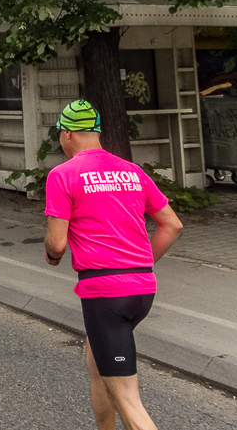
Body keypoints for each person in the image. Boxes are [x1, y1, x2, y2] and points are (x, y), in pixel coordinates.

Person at [44, 100, 183, 430]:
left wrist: (52, 256)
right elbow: (172, 225)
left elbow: (57, 243)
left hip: (105, 294)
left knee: (128, 399)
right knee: (98, 367)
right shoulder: (131, 171)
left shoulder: (63, 175)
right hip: (142, 289)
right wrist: (140, 263)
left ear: (67, 135)